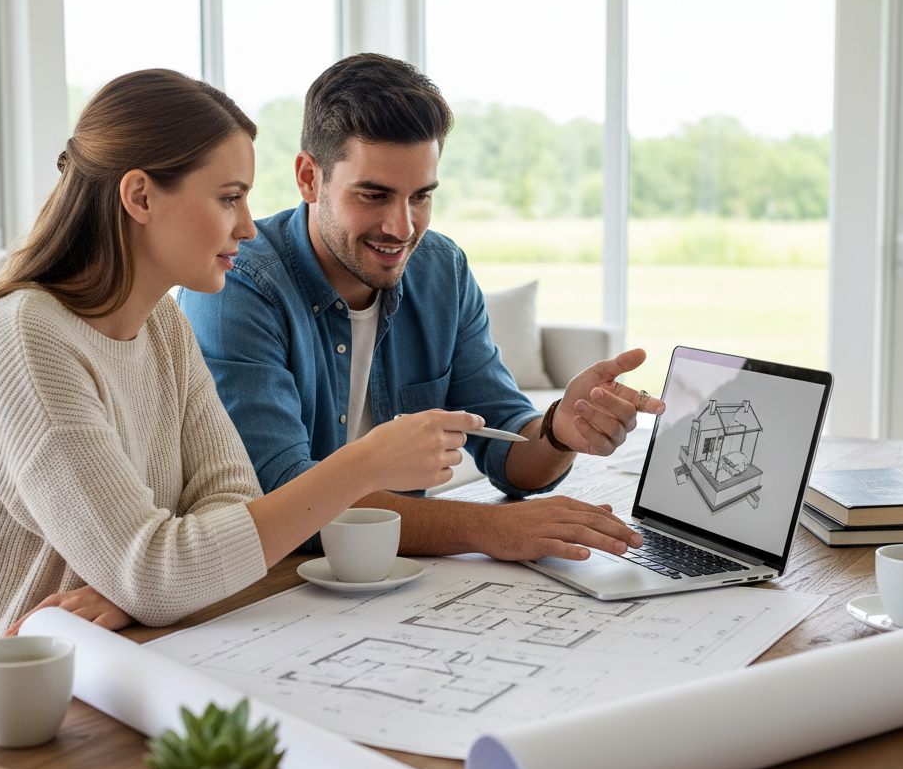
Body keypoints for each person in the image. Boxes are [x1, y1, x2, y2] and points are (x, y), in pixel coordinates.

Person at [0, 69, 481, 657]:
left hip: (127, 652)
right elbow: (155, 571)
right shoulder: (26, 341)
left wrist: (148, 585)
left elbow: (230, 499)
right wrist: (367, 464)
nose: (247, 227)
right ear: (140, 196)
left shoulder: (162, 324)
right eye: (229, 198)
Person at [179, 53, 664, 562]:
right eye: (374, 195)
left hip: (398, 585)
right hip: (278, 588)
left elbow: (507, 449)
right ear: (308, 178)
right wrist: (488, 528)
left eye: (421, 197)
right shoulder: (238, 282)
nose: (402, 227)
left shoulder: (441, 270)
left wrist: (559, 428)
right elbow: (283, 501)